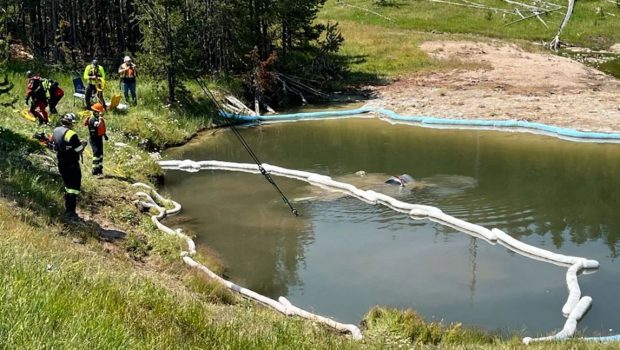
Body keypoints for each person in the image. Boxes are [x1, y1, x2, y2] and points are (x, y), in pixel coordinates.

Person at [52, 113, 87, 220]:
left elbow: (57, 143)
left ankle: (68, 208)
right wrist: (83, 144)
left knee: (67, 186)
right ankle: (70, 212)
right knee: (73, 188)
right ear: (72, 123)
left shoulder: (56, 130)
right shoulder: (72, 134)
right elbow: (78, 149)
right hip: (71, 164)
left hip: (61, 162)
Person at [84, 102, 108, 176]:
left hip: (99, 138)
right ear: (95, 112)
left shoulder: (97, 118)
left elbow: (101, 129)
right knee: (96, 153)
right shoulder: (92, 119)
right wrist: (100, 118)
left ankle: (100, 169)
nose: (101, 114)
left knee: (100, 154)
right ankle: (94, 170)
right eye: (99, 112)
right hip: (94, 139)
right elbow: (98, 125)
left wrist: (105, 135)